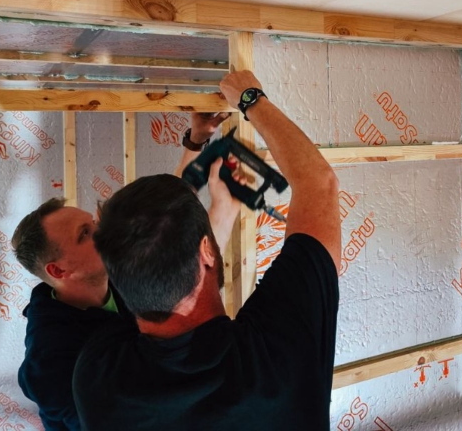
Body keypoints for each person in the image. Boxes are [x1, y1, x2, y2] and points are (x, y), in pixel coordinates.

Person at [72, 71, 341, 430]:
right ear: (206, 252)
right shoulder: (275, 353)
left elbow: (155, 253)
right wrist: (249, 99)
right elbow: (318, 185)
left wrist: (217, 205)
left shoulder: (99, 377)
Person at [11, 112, 235, 431]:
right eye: (86, 234)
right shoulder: (52, 365)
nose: (105, 230)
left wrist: (196, 140)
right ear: (59, 269)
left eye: (94, 222)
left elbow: (163, 220)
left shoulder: (115, 271)